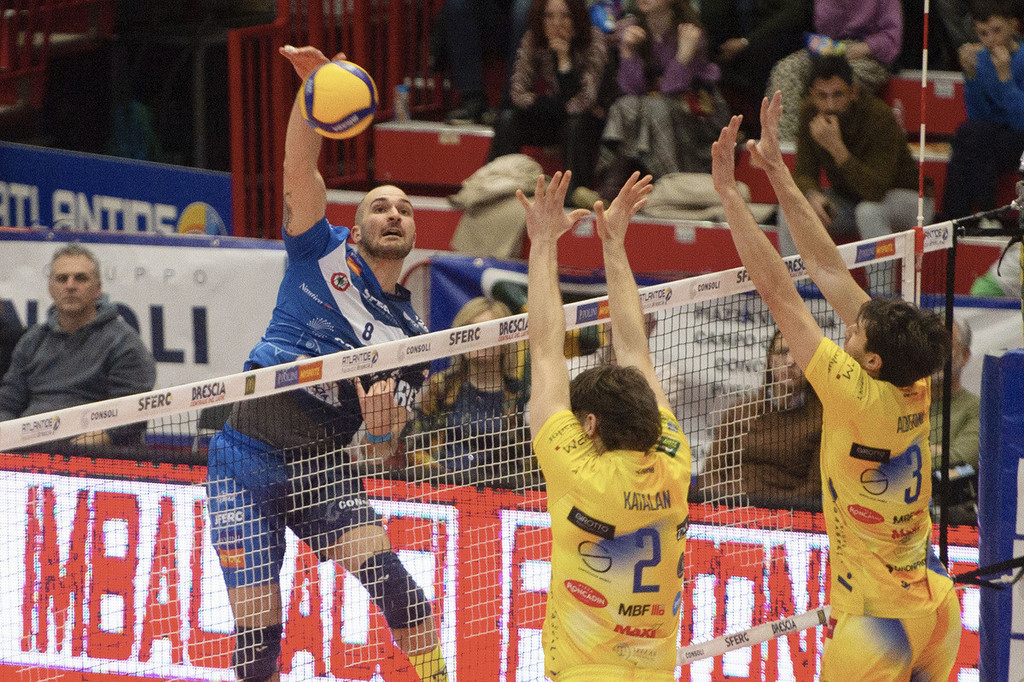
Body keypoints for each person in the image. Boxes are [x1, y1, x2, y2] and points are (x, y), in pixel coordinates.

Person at [204, 45, 448, 682]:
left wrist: (381, 424)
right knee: (259, 638)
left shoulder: (413, 338)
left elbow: (385, 443)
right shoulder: (319, 250)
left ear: (412, 233)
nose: (393, 214)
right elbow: (298, 167)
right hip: (245, 455)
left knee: (398, 589)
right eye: (380, 206)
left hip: (321, 468)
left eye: (405, 209)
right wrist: (311, 92)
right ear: (357, 226)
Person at [711, 92, 960, 680]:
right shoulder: (913, 381)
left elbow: (779, 291)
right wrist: (778, 171)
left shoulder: (854, 391)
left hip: (878, 623)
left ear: (870, 360)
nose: (847, 328)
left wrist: (731, 195)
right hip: (934, 601)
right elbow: (826, 268)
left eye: (854, 332)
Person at [522, 169, 692, 680]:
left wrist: (543, 243)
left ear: (590, 423)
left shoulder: (581, 474)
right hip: (658, 671)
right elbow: (636, 351)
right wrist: (614, 243)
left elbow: (545, 351)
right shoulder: (674, 459)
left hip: (586, 671)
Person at [775, 55, 930, 291]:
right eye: (822, 96)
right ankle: (802, 298)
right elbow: (804, 172)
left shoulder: (878, 117)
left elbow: (874, 190)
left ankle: (881, 302)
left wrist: (837, 149)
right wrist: (812, 195)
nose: (829, 105)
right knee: (792, 210)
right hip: (851, 201)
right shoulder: (810, 113)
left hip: (909, 201)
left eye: (837, 94)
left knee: (868, 211)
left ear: (853, 92)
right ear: (812, 95)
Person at [0, 243, 156, 447]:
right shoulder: (31, 341)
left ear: (98, 289)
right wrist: (10, 437)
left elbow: (132, 415)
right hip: (25, 451)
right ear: (51, 290)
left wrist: (81, 447)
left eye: (80, 278)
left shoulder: (124, 343)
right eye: (62, 279)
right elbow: (7, 404)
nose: (70, 285)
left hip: (91, 454)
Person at [595, 0, 730, 200]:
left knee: (656, 106)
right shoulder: (631, 28)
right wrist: (628, 52)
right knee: (624, 105)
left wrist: (683, 55)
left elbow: (671, 89)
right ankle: (612, 191)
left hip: (699, 115)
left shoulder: (690, 32)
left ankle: (671, 184)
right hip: (653, 111)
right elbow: (631, 90)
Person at [488, 0, 609, 207]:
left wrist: (564, 60)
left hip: (591, 122)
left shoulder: (594, 40)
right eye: (549, 16)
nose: (556, 23)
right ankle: (497, 187)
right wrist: (554, 106)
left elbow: (586, 100)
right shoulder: (534, 38)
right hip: (556, 114)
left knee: (576, 124)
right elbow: (517, 93)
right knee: (508, 118)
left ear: (577, 17)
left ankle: (576, 193)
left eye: (565, 16)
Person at [408, 296, 532, 488]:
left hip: (502, 491)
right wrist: (444, 477)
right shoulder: (441, 386)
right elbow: (414, 446)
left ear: (506, 339)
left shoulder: (522, 395)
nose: (477, 339)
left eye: (486, 331)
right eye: (470, 331)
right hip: (443, 486)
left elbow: (530, 458)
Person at [700, 329, 823, 512]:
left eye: (798, 353)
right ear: (770, 360)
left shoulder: (821, 421)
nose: (790, 361)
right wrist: (726, 507)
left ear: (811, 363)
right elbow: (711, 473)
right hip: (729, 512)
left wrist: (772, 513)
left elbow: (813, 489)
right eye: (782, 352)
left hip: (787, 518)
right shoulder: (739, 412)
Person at [935, 0, 1024, 223]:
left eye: (997, 31)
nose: (990, 40)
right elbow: (977, 115)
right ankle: (978, 214)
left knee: (970, 138)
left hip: (1019, 137)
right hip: (989, 138)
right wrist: (972, 76)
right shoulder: (981, 60)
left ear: (1013, 27)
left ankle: (958, 217)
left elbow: (1020, 122)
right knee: (970, 134)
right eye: (983, 34)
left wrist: (1005, 78)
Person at [766, 0, 902, 141]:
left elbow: (892, 40)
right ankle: (786, 144)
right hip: (829, 48)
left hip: (869, 54)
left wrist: (862, 48)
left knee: (840, 81)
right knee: (786, 70)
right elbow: (823, 26)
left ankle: (835, 142)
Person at [700, 0, 812, 138]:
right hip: (725, 62)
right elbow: (711, 17)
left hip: (775, 53)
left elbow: (795, 13)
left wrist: (746, 43)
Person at [438, 0, 532, 123]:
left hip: (525, 13)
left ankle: (512, 102)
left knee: (524, 9)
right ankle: (472, 99)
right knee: (457, 4)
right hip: (490, 14)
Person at [931, 319, 981, 525]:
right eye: (930, 344)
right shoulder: (901, 401)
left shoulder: (978, 408)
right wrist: (937, 450)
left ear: (965, 356)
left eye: (945, 345)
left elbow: (963, 459)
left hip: (950, 520)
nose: (936, 353)